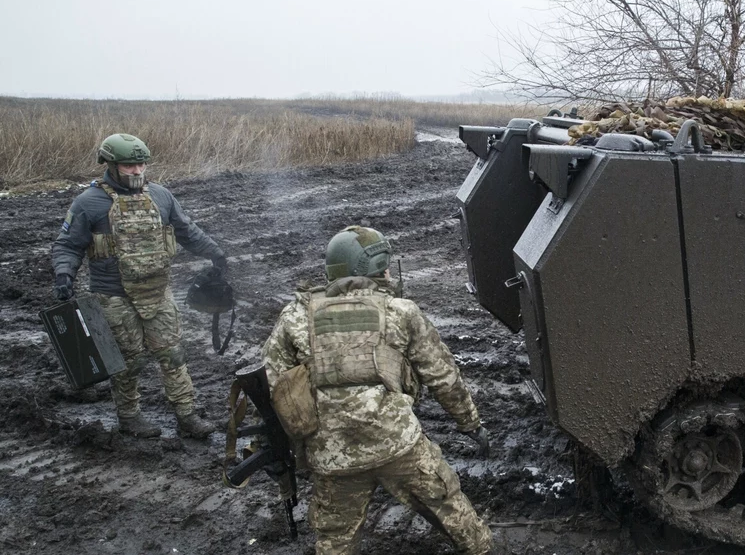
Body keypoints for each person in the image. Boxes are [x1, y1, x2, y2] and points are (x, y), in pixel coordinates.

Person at [263, 226, 492, 555]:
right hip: (398, 445)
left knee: (335, 541)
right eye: (383, 265)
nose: (388, 271)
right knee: (453, 510)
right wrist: (471, 424)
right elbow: (442, 376)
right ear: (369, 270)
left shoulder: (295, 318)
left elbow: (273, 387)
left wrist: (278, 448)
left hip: (332, 457)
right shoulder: (400, 311)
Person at [51, 133, 225, 439]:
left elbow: (187, 230)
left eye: (141, 164)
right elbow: (68, 245)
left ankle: (187, 417)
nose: (137, 170)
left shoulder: (161, 196)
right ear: (111, 165)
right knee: (128, 361)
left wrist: (215, 252)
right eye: (130, 165)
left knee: (173, 355)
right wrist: (64, 275)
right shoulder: (89, 203)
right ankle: (129, 418)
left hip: (158, 293)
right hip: (114, 297)